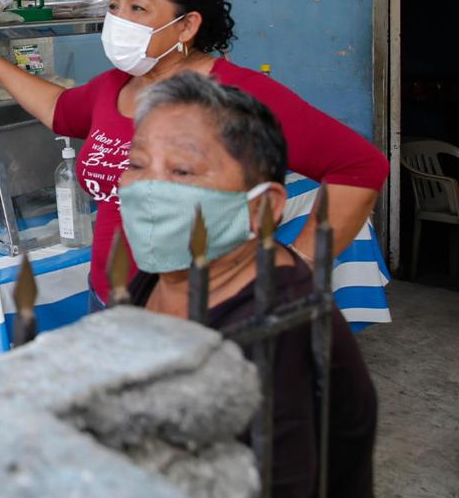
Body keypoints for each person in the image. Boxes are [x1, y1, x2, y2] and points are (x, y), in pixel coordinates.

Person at [0, 0, 388, 310]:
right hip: (109, 301)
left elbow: (359, 168)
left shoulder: (236, 95)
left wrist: (300, 262)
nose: (118, 21)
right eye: (115, 7)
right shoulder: (115, 87)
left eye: (138, 9)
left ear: (186, 25)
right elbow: (60, 110)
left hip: (201, 314)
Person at [117, 73, 376, 497]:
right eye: (137, 164)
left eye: (182, 170)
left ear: (261, 207)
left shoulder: (274, 337)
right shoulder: (165, 270)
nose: (147, 188)